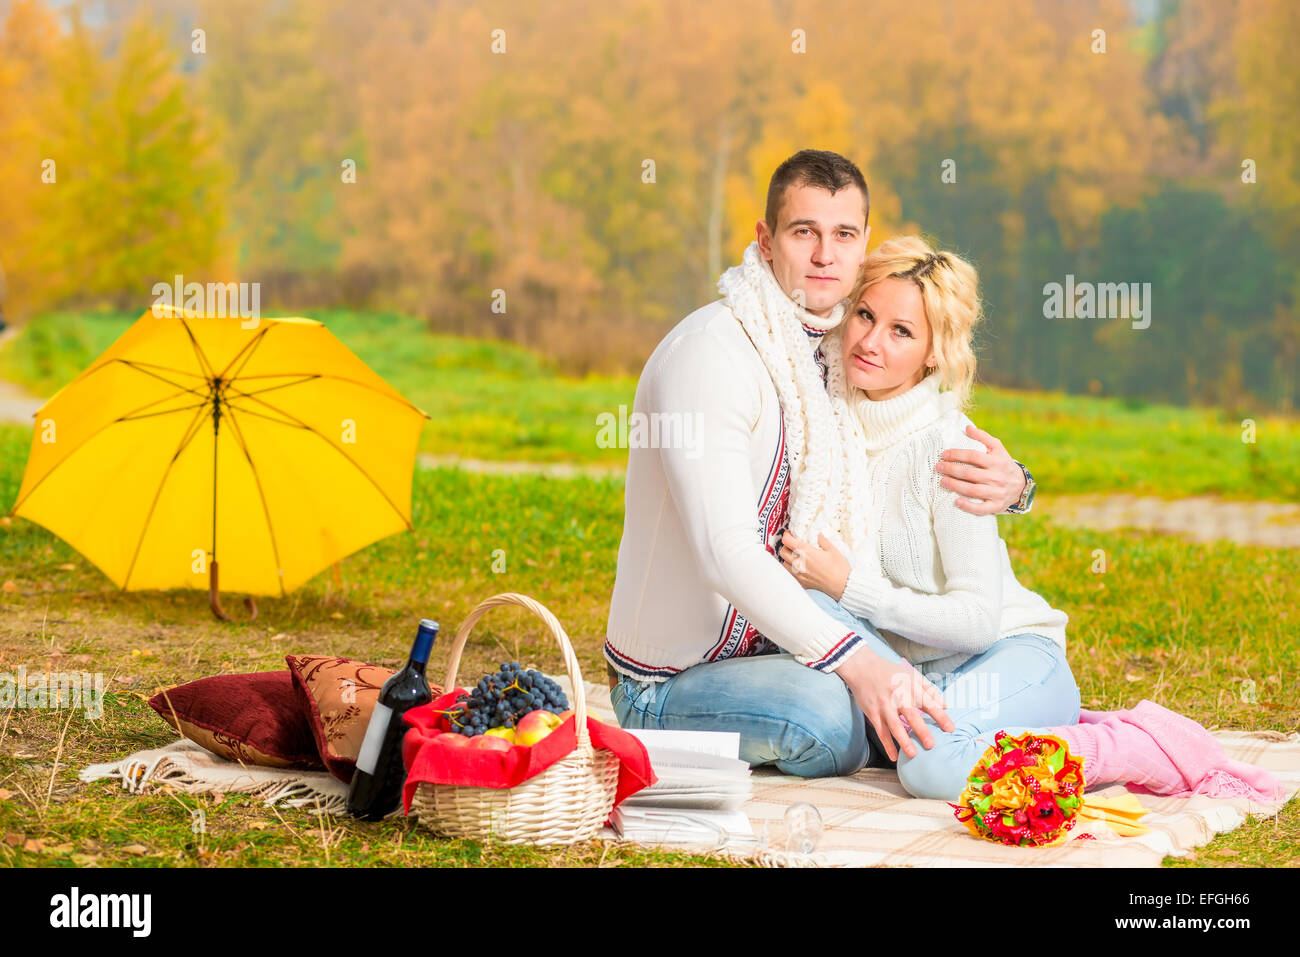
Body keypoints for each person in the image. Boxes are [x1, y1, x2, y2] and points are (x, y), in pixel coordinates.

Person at [778, 235, 1284, 803]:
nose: (870, 341)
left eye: (902, 331)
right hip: (922, 675)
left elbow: (975, 624)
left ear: (934, 353)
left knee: (930, 769)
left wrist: (850, 586)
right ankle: (1022, 728)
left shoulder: (952, 453)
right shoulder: (825, 429)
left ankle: (1122, 747)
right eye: (865, 315)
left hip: (1008, 652)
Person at [604, 150, 1034, 778]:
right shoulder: (713, 354)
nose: (824, 256)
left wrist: (1017, 485)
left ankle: (979, 718)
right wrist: (859, 662)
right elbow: (723, 551)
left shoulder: (836, 352)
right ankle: (885, 721)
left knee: (892, 699)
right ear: (766, 239)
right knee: (829, 716)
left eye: (844, 235)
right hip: (674, 676)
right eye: (804, 232)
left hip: (783, 645)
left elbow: (923, 421)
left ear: (864, 247)